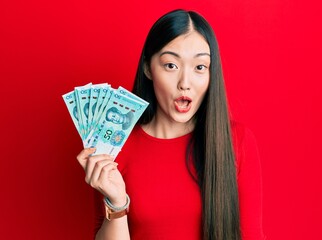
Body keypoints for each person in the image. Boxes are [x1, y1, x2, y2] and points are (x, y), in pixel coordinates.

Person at [76, 9, 265, 240]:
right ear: (148, 68)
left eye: (199, 67)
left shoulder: (238, 141)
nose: (185, 83)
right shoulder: (115, 145)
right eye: (171, 65)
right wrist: (117, 204)